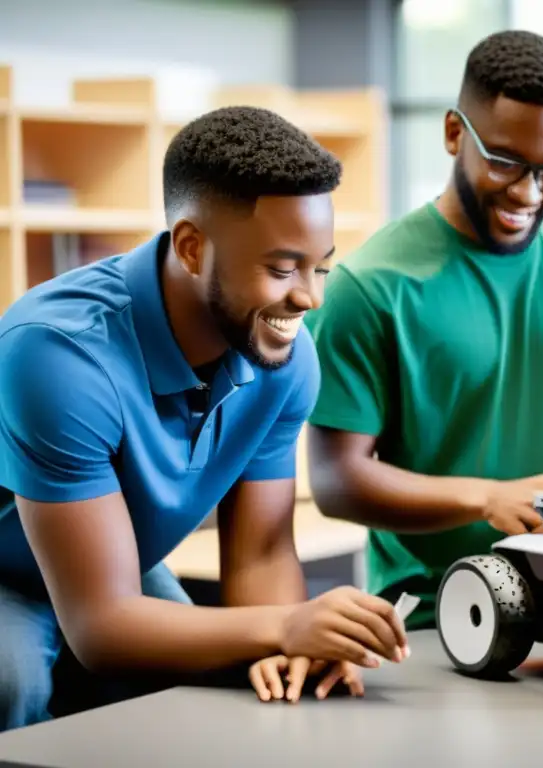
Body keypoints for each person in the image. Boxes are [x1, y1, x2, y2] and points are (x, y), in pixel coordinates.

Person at [0, 106, 409, 732]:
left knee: (232, 690)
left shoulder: (284, 354)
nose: (311, 298)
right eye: (281, 269)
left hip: (111, 561)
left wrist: (295, 647)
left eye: (319, 266)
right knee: (13, 682)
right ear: (192, 247)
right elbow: (103, 627)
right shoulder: (57, 353)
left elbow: (262, 555)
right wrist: (285, 624)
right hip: (20, 575)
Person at [305, 30, 543, 629]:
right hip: (435, 619)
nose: (528, 191)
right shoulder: (368, 287)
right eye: (504, 161)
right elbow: (338, 480)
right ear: (452, 133)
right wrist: (489, 498)